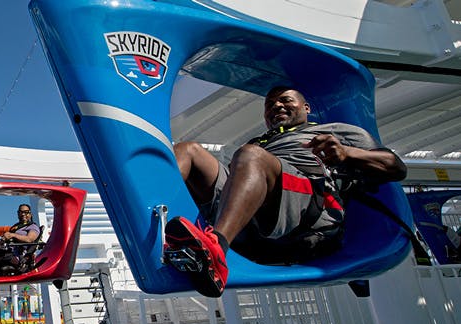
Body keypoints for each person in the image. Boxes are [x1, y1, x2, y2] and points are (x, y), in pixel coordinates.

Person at [165, 86, 407, 298]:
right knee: (189, 150)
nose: (276, 106)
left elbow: (395, 167)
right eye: (269, 105)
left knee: (251, 155)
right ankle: (153, 230)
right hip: (249, 219)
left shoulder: (335, 131)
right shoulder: (259, 143)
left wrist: (347, 153)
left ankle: (215, 250)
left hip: (307, 211)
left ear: (306, 107)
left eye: (285, 100)